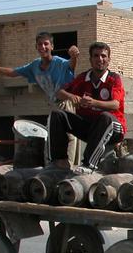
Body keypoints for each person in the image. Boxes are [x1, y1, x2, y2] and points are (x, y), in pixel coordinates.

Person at [0, 31, 79, 163]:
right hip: (54, 104)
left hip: (66, 102)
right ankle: (52, 164)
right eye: (40, 44)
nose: (43, 47)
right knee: (51, 136)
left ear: (52, 46)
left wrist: (74, 56)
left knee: (68, 136)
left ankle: (68, 166)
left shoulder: (59, 63)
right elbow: (12, 72)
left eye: (46, 44)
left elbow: (71, 65)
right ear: (36, 47)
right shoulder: (35, 66)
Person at [53, 42, 126, 172]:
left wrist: (93, 103)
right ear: (90, 59)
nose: (100, 59)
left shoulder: (114, 79)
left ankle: (88, 164)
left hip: (114, 128)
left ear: (109, 60)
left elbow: (115, 104)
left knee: (105, 117)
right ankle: (60, 161)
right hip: (90, 128)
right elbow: (59, 92)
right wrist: (72, 97)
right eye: (96, 56)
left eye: (103, 56)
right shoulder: (82, 78)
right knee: (57, 115)